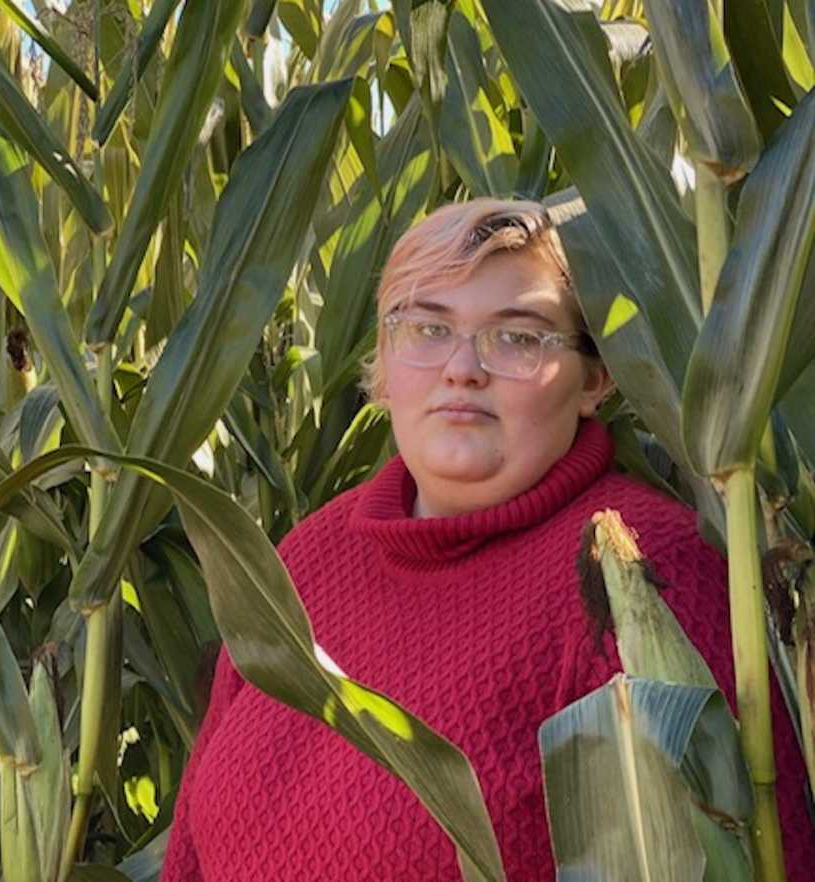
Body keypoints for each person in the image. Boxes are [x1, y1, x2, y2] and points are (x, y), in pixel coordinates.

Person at [161, 199, 814, 880]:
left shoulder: (646, 574)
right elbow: (189, 853)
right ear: (384, 364)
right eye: (427, 328)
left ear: (596, 376)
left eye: (518, 337)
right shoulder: (303, 558)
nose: (463, 368)